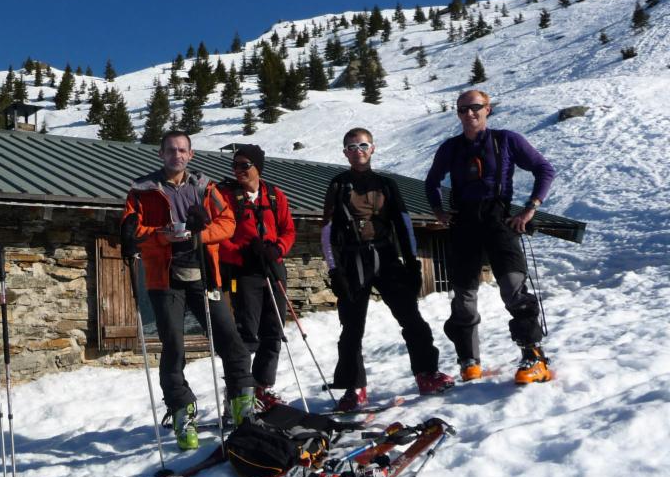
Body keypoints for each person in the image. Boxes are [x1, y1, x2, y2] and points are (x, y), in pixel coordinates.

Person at [121, 130, 257, 450]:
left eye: (182, 150)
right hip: (164, 279)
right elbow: (130, 229)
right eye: (170, 150)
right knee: (174, 349)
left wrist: (200, 235)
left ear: (191, 154)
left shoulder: (205, 187)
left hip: (205, 276)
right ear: (160, 153)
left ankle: (243, 409)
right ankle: (182, 413)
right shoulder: (141, 189)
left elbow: (228, 223)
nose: (177, 155)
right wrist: (160, 236)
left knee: (231, 342)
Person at [424, 89, 555, 384]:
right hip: (464, 222)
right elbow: (432, 182)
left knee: (513, 287)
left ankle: (534, 357)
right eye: (462, 109)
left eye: (475, 107)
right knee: (465, 295)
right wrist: (438, 211)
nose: (468, 113)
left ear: (488, 109)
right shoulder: (451, 148)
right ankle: (469, 361)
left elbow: (544, 169)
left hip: (499, 218)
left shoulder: (507, 140)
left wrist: (530, 209)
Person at [322, 128, 454, 410]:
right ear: (344, 152)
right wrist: (335, 271)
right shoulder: (338, 185)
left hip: (386, 255)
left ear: (373, 149)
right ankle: (353, 389)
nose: (358, 150)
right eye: (351, 146)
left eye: (363, 145)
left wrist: (413, 263)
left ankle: (426, 373)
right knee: (352, 327)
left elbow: (404, 224)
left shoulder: (386, 185)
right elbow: (328, 231)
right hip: (353, 260)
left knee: (412, 318)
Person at [216, 144, 297, 410]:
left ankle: (261, 388)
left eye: (244, 165)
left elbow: (289, 230)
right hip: (244, 271)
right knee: (247, 333)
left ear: (257, 167)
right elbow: (219, 236)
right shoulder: (226, 196)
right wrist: (242, 255)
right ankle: (239, 391)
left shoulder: (275, 196)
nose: (238, 170)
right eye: (235, 165)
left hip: (273, 268)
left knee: (273, 331)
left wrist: (277, 250)